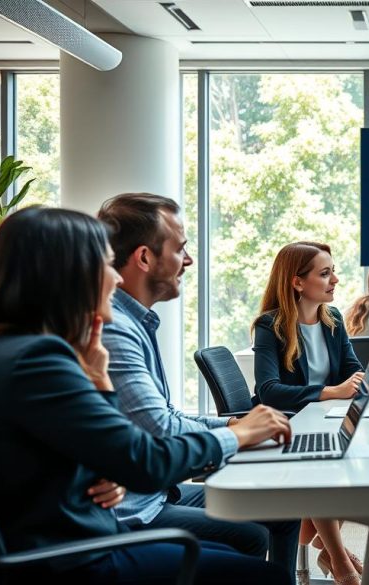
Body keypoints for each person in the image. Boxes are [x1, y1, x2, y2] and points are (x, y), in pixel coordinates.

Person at [0, 207, 291, 584]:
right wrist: (238, 434)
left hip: (63, 542)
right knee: (263, 576)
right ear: (71, 275)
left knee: (236, 551)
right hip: (76, 560)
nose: (114, 277)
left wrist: (99, 383)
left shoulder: (0, 350)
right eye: (107, 265)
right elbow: (146, 463)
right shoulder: (38, 360)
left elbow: (104, 452)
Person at [97, 193, 299, 582]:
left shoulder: (137, 322)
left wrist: (237, 427)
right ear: (144, 258)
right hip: (135, 507)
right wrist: (240, 434)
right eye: (181, 249)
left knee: (280, 512)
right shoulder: (116, 329)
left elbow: (165, 417)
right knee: (251, 537)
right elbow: (160, 431)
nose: (188, 261)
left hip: (149, 492)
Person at [253, 241, 369, 585]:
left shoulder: (333, 319)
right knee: (324, 470)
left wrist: (351, 385)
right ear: (297, 282)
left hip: (324, 422)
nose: (335, 280)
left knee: (354, 459)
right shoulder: (271, 326)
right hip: (282, 427)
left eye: (333, 271)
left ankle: (328, 552)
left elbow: (353, 369)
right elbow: (268, 390)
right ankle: (341, 564)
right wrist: (331, 391)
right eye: (325, 273)